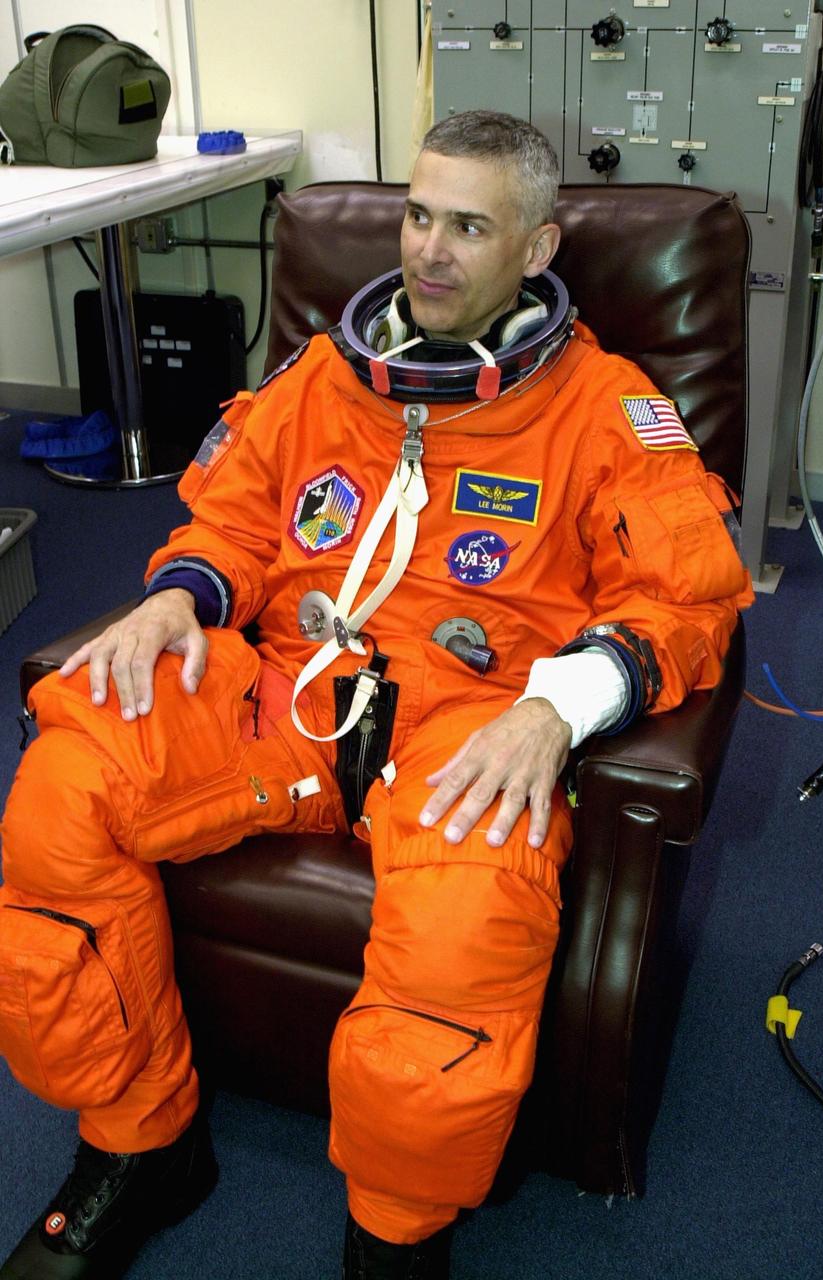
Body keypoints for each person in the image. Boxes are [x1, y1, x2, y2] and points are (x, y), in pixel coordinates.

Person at [0, 110, 753, 1280]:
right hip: (288, 692)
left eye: (468, 225)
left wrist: (556, 709)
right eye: (416, 214)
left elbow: (689, 599)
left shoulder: (605, 412)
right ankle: (140, 1139)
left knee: (462, 933)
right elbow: (233, 524)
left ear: (538, 249)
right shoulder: (317, 378)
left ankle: (394, 1240)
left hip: (471, 724)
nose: (427, 250)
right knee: (64, 785)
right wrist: (177, 600)